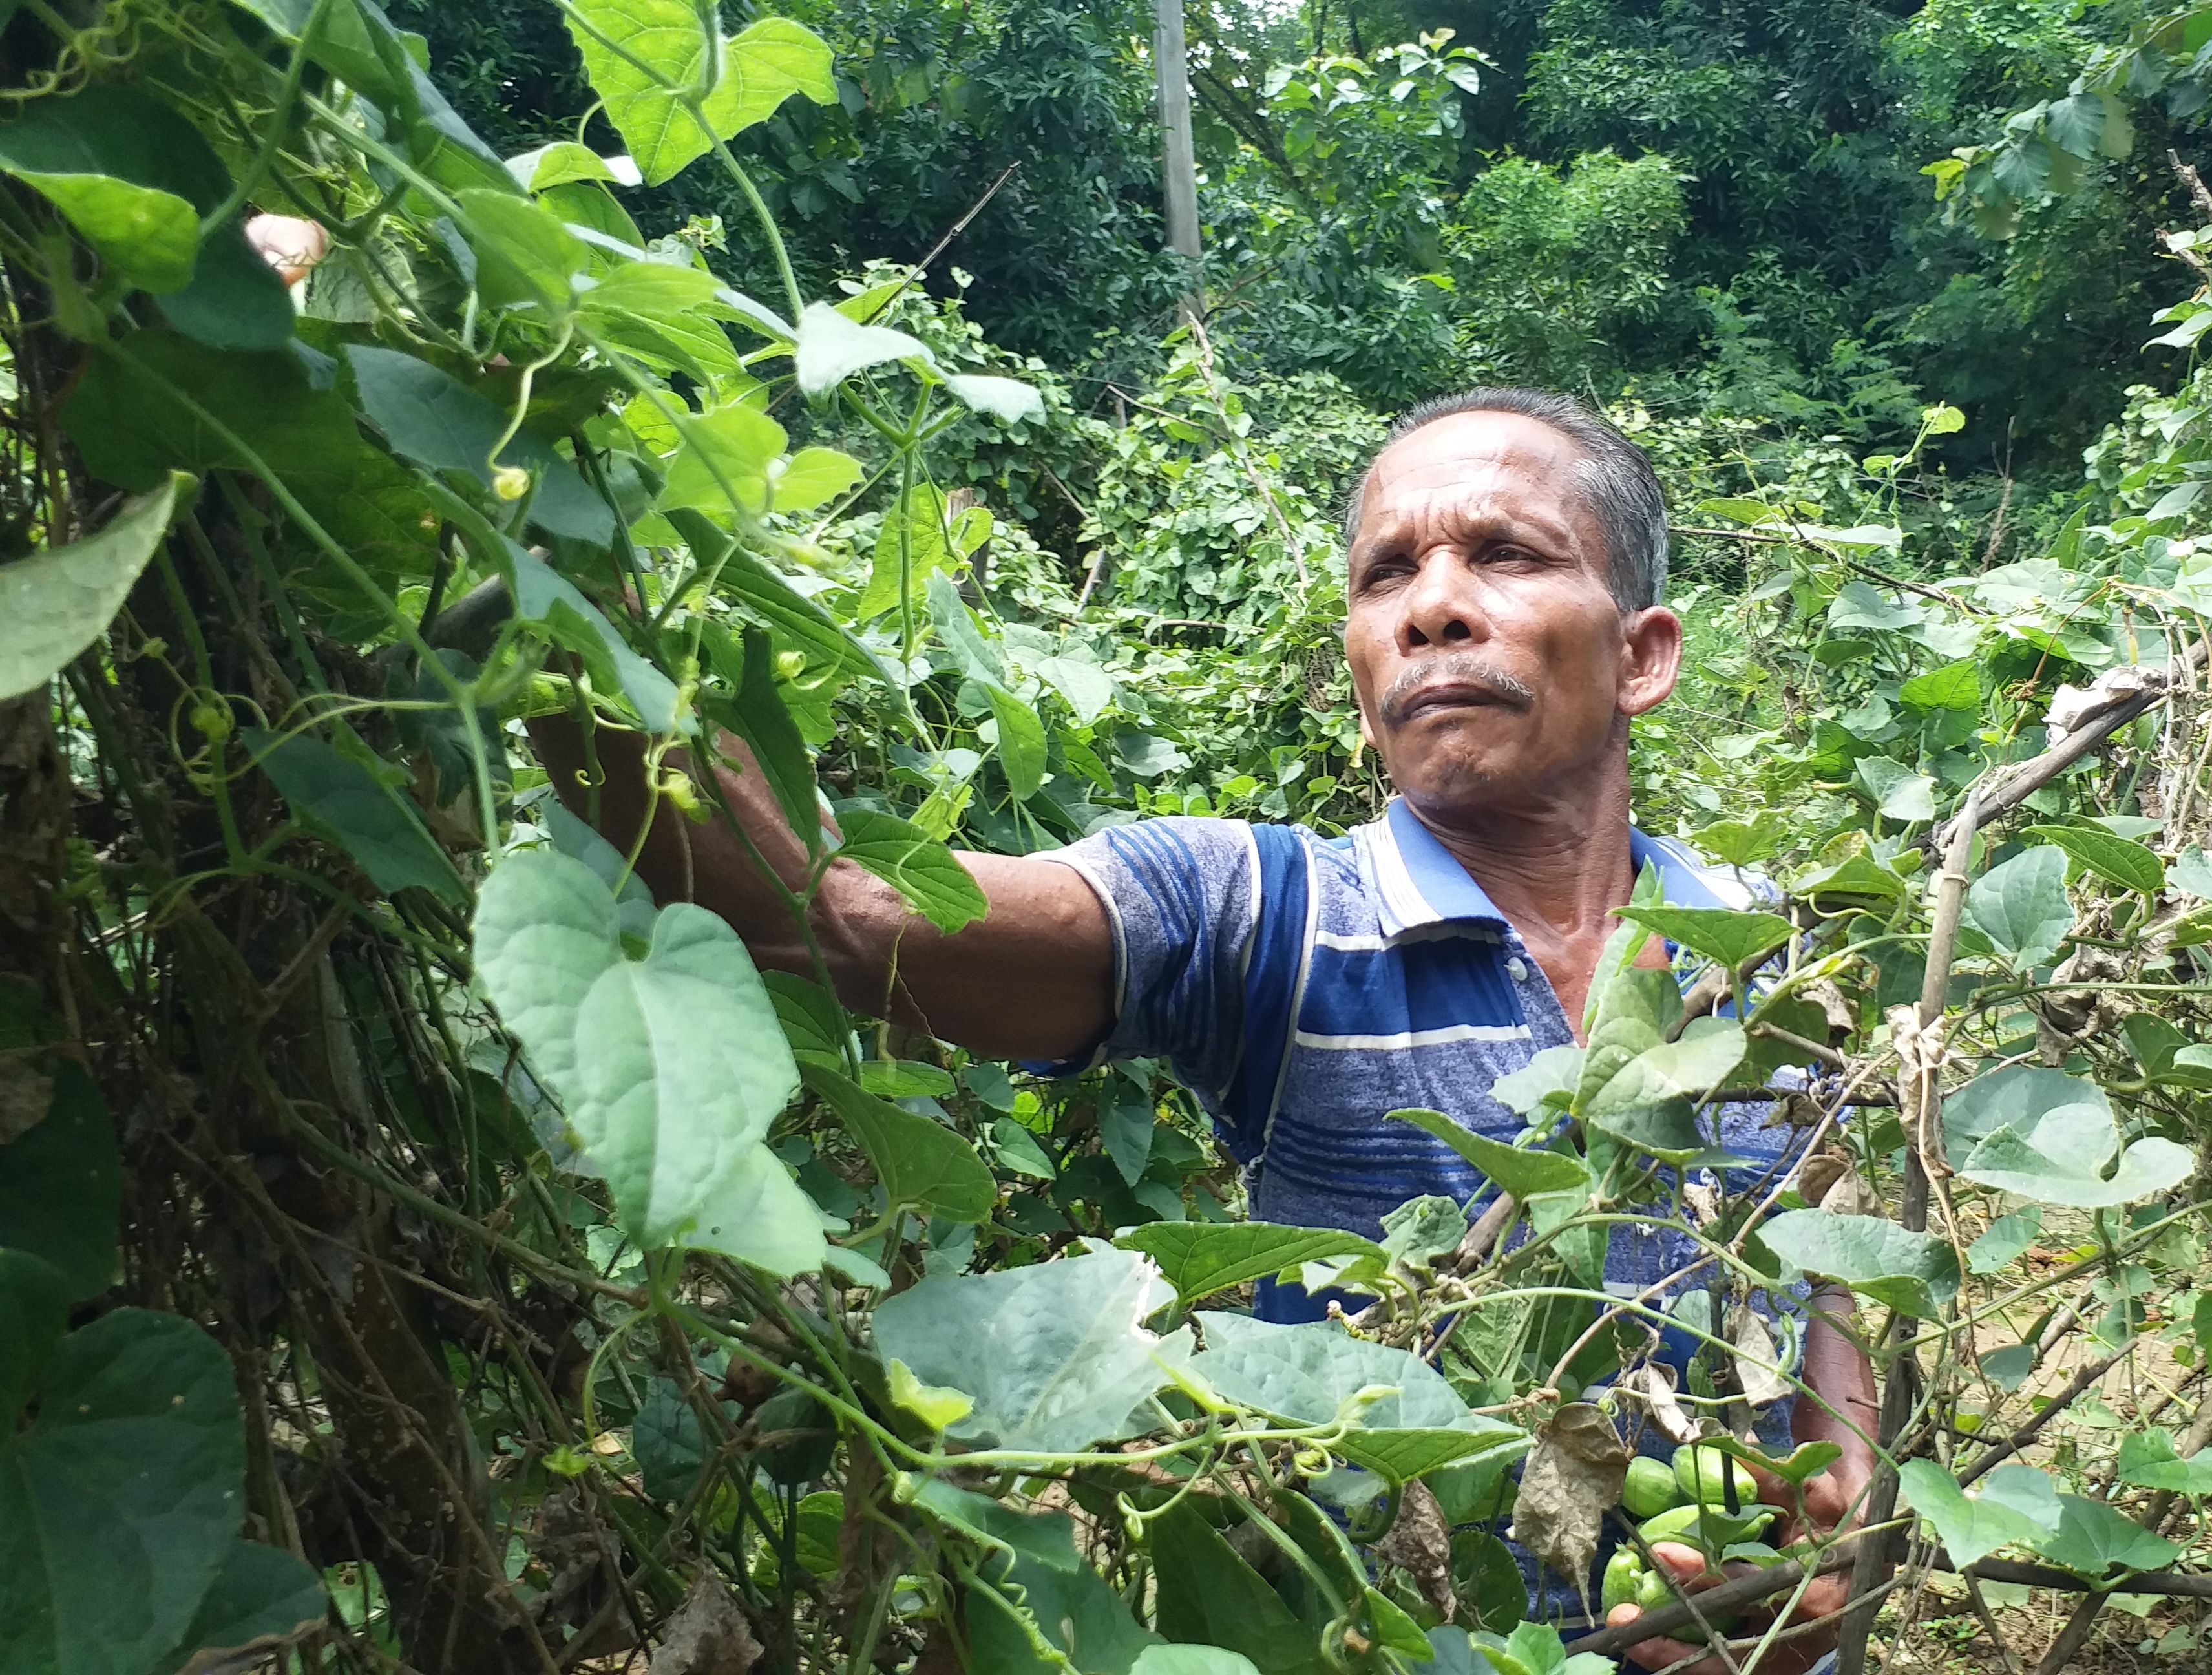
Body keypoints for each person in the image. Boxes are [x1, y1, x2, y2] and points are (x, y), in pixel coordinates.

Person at [533, 387, 1873, 1674]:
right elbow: (835, 919)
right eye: (1384, 576)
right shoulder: (1264, 913)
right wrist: (525, 552)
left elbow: (1831, 1247)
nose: (1434, 609)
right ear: (1358, 680)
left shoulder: (1759, 937)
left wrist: (1836, 1497)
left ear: (1642, 656)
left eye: (1505, 555)